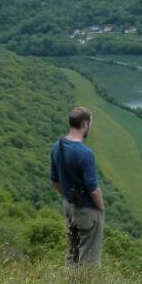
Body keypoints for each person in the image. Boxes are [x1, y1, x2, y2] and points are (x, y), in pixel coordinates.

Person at [50, 106, 105, 266]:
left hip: (69, 206)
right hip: (87, 210)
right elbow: (93, 189)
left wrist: (68, 196)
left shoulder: (57, 146)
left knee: (72, 254)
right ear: (85, 124)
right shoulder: (85, 153)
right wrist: (101, 209)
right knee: (89, 259)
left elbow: (54, 181)